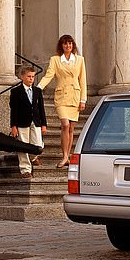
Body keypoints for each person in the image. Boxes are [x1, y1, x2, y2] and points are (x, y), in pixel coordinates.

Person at [38, 34, 87, 168]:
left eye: (70, 43)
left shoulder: (80, 60)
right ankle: (65, 155)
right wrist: (38, 88)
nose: (68, 46)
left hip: (75, 97)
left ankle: (66, 156)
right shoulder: (55, 60)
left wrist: (83, 99)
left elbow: (82, 80)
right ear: (61, 46)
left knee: (71, 128)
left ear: (73, 45)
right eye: (65, 44)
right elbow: (49, 75)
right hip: (61, 97)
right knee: (65, 124)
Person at [9, 66, 47, 178]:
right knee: (23, 145)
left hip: (35, 121)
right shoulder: (16, 91)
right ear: (22, 77)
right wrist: (13, 126)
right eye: (29, 76)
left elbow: (41, 108)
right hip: (21, 122)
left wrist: (44, 124)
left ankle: (34, 157)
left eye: (33, 77)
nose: (31, 79)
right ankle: (25, 169)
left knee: (38, 144)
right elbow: (14, 110)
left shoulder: (37, 91)